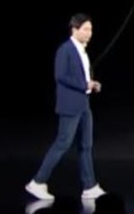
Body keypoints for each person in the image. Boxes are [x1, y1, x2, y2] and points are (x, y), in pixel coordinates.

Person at [25, 13, 106, 201]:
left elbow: (81, 76)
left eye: (91, 29)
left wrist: (91, 84)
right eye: (86, 29)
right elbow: (60, 76)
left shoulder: (82, 51)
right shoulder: (65, 50)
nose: (90, 33)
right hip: (70, 105)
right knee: (62, 143)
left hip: (84, 104)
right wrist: (84, 85)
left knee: (86, 145)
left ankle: (89, 185)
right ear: (74, 29)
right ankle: (37, 182)